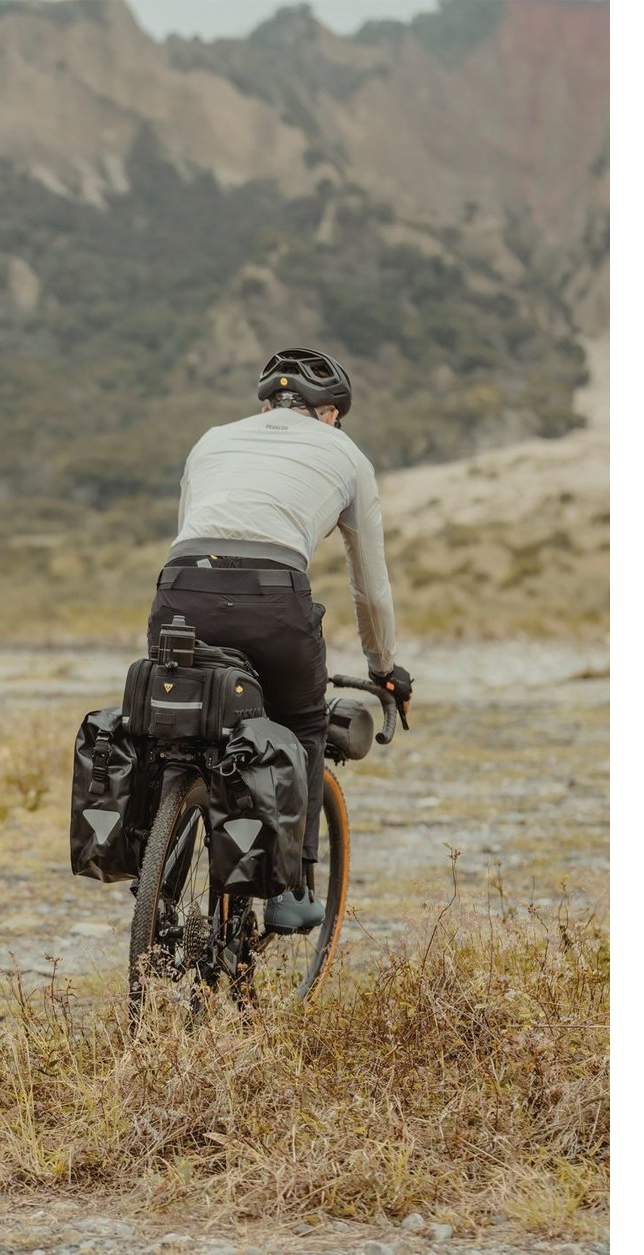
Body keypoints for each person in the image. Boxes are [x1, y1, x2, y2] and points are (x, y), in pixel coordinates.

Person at [148, 346, 413, 934]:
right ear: (328, 414)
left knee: (182, 724)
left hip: (179, 589)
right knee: (304, 725)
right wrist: (384, 668)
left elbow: (194, 531)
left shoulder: (212, 439)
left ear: (269, 403)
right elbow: (370, 586)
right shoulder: (346, 454)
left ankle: (159, 871)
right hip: (272, 599)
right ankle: (291, 888)